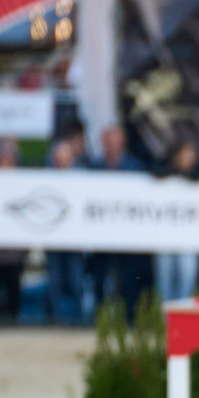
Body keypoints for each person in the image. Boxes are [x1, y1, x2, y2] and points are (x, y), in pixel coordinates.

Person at [86, 123, 150, 314]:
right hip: (100, 233)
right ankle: (99, 314)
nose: (111, 144)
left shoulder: (135, 167)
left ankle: (128, 315)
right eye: (107, 140)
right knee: (100, 274)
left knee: (128, 276)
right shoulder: (94, 167)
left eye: (114, 140)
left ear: (122, 142)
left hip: (126, 233)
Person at [44, 138, 92, 322]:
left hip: (75, 240)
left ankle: (77, 318)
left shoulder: (81, 177)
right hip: (54, 239)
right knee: (55, 280)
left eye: (64, 154)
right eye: (58, 155)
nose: (61, 158)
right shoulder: (47, 177)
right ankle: (56, 318)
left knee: (75, 280)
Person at [156, 138, 199, 302]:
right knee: (164, 276)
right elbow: (156, 171)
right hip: (165, 233)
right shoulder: (166, 169)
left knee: (187, 274)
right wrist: (176, 171)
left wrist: (185, 172)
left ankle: (181, 312)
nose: (187, 158)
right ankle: (164, 317)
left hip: (188, 235)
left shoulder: (198, 172)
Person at [0, 140, 28, 323]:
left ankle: (13, 323)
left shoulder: (23, 184)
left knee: (13, 290)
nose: (5, 161)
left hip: (15, 251)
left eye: (8, 157)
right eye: (1, 156)